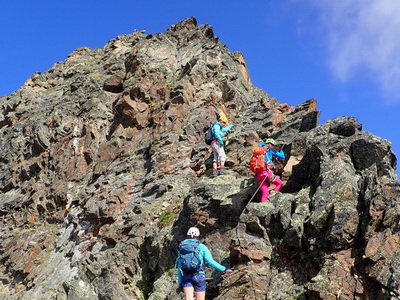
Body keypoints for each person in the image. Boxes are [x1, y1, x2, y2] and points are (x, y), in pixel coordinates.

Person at [177, 227, 232, 300]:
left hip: (186, 276)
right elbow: (211, 262)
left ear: (187, 235)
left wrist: (180, 282)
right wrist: (224, 269)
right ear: (198, 237)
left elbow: (179, 267)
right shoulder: (201, 247)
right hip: (199, 276)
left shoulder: (182, 247)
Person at [255, 138, 285, 202]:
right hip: (266, 173)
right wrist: (281, 150)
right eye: (273, 145)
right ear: (271, 144)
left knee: (265, 192)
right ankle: (272, 199)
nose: (273, 146)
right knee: (280, 183)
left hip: (258, 176)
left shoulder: (259, 148)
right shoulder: (270, 149)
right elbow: (282, 156)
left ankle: (263, 206)